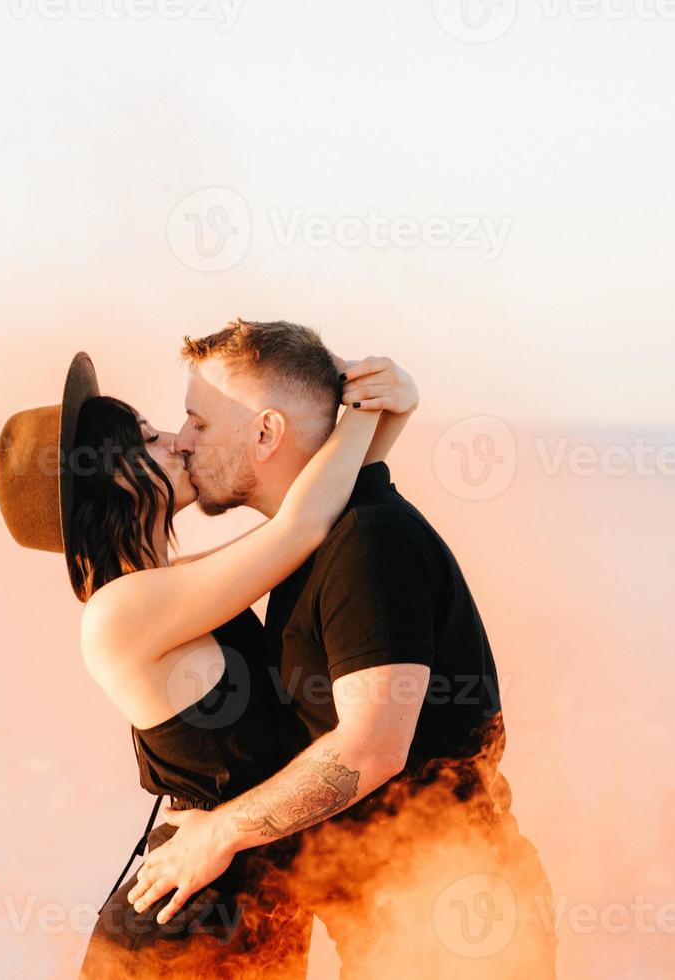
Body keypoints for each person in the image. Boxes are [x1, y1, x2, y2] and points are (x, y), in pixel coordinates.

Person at [129, 320, 557, 978]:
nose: (182, 443)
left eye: (198, 423)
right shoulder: (323, 537)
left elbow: (370, 747)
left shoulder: (367, 544)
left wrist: (221, 833)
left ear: (265, 433)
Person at [0, 345, 418, 978]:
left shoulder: (177, 587)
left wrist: (390, 414)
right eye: (149, 438)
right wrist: (362, 411)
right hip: (182, 938)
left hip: (238, 924)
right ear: (111, 476)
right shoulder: (117, 615)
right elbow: (300, 528)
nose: (179, 441)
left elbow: (316, 522)